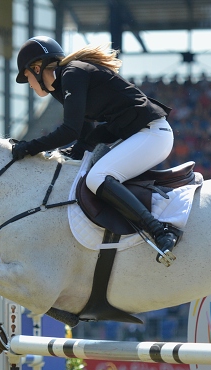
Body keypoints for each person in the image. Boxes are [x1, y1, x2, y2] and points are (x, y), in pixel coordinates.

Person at [11, 36, 178, 265]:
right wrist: (70, 154)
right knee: (84, 169)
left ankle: (160, 231)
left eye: (27, 76)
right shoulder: (62, 84)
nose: (28, 83)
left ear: (37, 68)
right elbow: (85, 131)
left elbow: (70, 130)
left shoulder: (72, 74)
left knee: (98, 177)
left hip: (151, 134)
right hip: (140, 134)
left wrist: (29, 147)